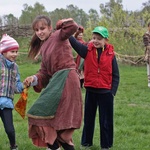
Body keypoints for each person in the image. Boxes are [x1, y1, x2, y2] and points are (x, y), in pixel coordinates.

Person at [23, 15, 83, 150]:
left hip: (67, 80)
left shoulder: (58, 35)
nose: (40, 32)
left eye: (42, 28)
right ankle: (53, 146)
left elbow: (72, 27)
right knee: (55, 125)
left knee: (40, 114)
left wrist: (61, 23)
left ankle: (53, 147)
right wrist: (33, 79)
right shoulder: (43, 48)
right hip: (56, 82)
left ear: (50, 28)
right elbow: (44, 73)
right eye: (37, 30)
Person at [69, 26, 120, 150]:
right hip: (91, 91)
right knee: (88, 119)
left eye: (99, 38)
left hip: (105, 92)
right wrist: (67, 29)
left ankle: (106, 145)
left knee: (106, 121)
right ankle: (86, 143)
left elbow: (116, 75)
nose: (96, 41)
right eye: (94, 38)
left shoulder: (111, 54)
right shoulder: (87, 50)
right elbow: (73, 42)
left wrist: (112, 92)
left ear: (106, 40)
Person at [0, 34, 25, 150]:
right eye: (12, 51)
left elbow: (16, 86)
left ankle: (13, 146)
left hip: (6, 103)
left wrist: (23, 86)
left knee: (10, 129)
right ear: (4, 52)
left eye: (16, 51)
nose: (15, 54)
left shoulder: (15, 68)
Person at [143, 22, 150, 87]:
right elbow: (147, 45)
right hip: (148, 54)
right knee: (149, 67)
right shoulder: (146, 35)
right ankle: (149, 82)